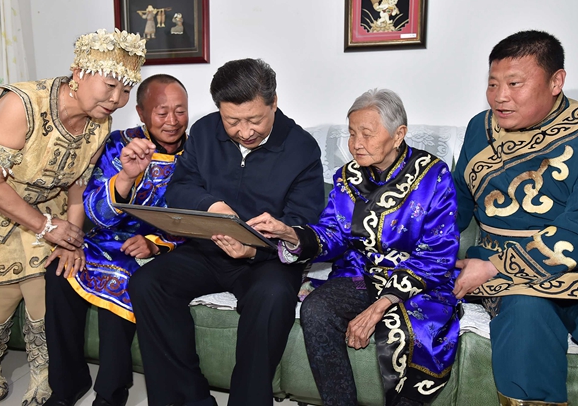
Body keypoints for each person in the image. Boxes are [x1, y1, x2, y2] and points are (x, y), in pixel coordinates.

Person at [0, 28, 146, 405]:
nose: (117, 99)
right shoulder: (22, 103)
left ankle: (45, 373)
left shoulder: (99, 121)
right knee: (5, 289)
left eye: (126, 89)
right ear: (79, 72)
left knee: (40, 281)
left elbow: (78, 183)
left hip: (42, 205)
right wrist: (48, 227)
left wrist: (72, 240)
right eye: (111, 86)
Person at [128, 58, 325, 406]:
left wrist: (256, 249)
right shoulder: (205, 133)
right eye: (232, 121)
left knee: (272, 296)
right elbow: (179, 188)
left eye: (255, 120)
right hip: (208, 250)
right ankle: (188, 400)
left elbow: (303, 222)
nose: (245, 131)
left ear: (274, 103)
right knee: (148, 283)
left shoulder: (301, 148)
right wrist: (211, 206)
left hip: (267, 261)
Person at [251, 88, 461, 406]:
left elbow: (438, 252)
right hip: (362, 276)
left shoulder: (433, 176)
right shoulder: (347, 177)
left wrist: (381, 306)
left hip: (418, 281)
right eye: (351, 133)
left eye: (367, 133)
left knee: (410, 332)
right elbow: (333, 234)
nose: (356, 143)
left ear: (398, 134)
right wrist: (291, 234)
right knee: (317, 309)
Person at [44, 74, 189, 406]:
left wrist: (155, 243)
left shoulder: (198, 154)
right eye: (162, 112)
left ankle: (111, 393)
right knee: (58, 272)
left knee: (123, 277)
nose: (172, 120)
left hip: (156, 248)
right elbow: (95, 214)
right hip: (105, 238)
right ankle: (66, 385)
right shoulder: (118, 144)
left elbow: (197, 220)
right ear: (141, 112)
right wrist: (125, 176)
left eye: (180, 111)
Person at [453, 30, 578, 406]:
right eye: (493, 84)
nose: (500, 96)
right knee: (528, 311)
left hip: (565, 263)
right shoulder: (480, 128)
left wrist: (493, 266)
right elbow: (457, 203)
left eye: (514, 83)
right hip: (507, 278)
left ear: (556, 82)